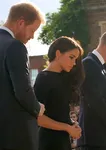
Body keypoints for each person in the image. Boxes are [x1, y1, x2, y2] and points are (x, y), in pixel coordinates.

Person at [0, 2, 45, 150]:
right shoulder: (15, 46)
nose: (32, 37)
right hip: (15, 136)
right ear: (21, 22)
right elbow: (22, 90)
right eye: (32, 30)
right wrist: (37, 107)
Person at [34, 36, 84, 150]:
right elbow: (38, 118)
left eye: (75, 59)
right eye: (71, 57)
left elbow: (58, 112)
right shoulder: (43, 78)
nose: (74, 63)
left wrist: (72, 125)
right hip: (48, 142)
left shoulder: (64, 78)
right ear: (58, 54)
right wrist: (67, 128)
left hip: (63, 141)